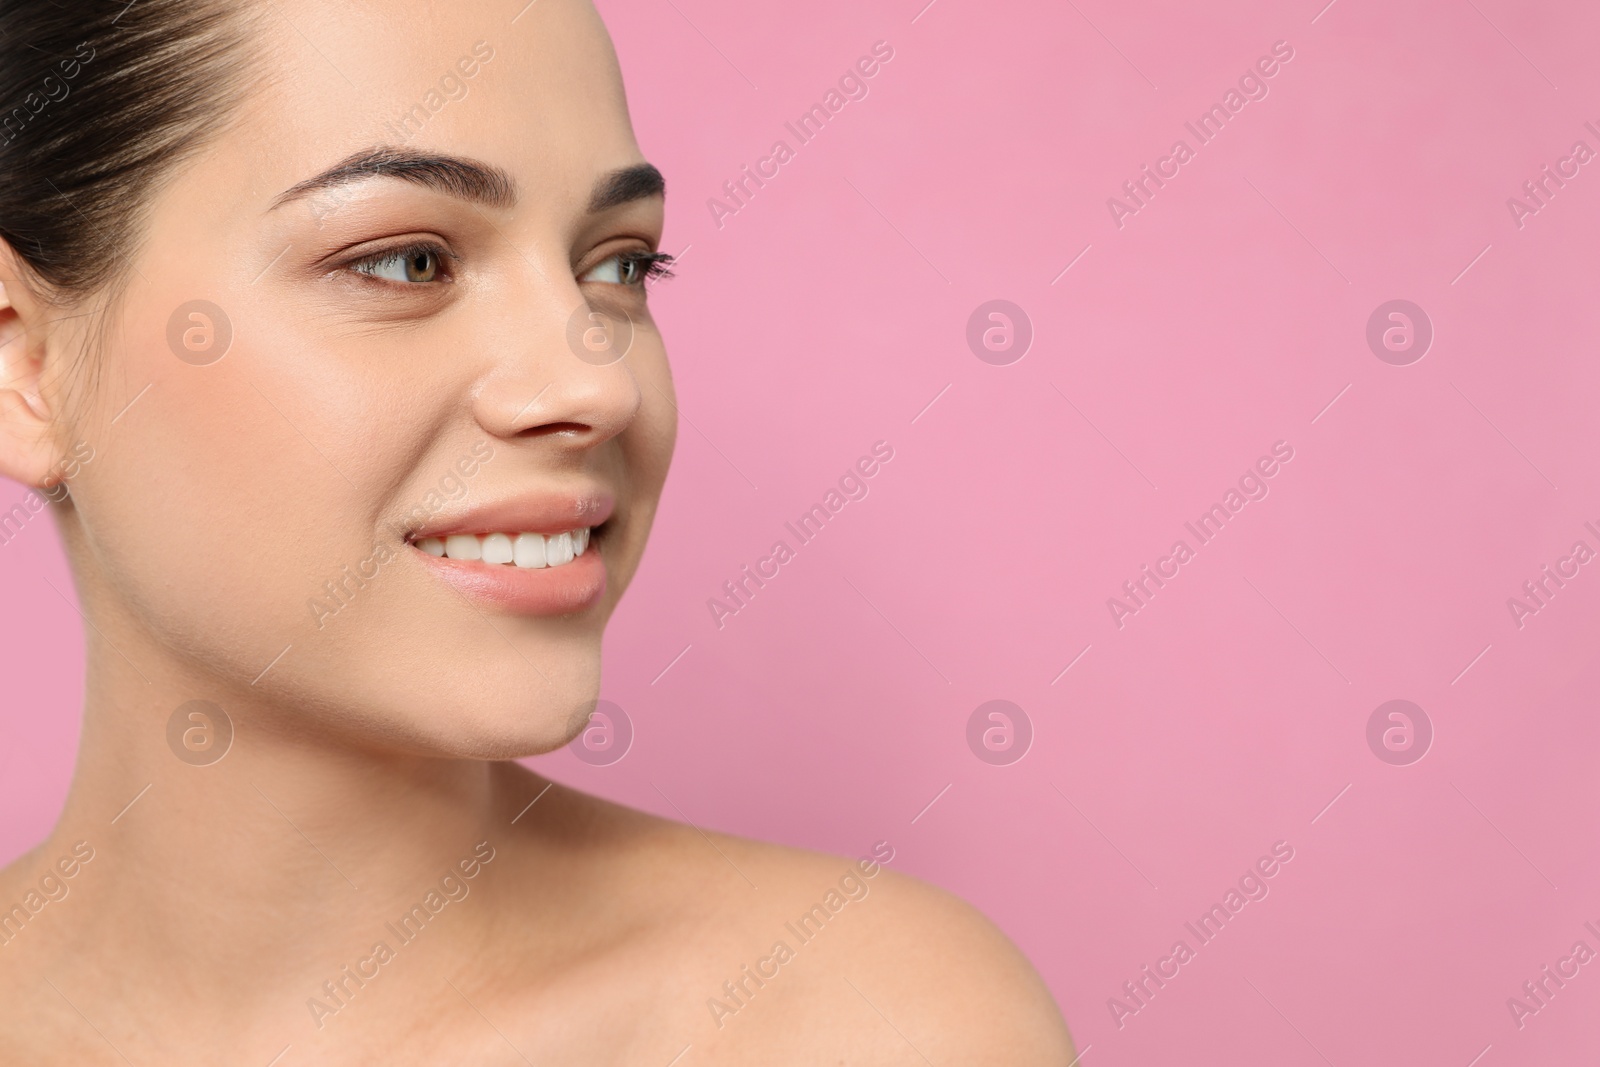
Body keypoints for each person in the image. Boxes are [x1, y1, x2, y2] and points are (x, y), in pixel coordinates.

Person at [0, 0, 1074, 1061]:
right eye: (407, 260)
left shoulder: (865, 1026)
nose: (594, 384)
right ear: (25, 365)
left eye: (617, 265)